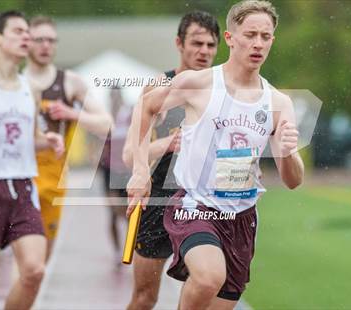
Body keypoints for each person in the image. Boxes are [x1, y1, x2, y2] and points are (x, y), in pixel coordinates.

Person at [126, 1, 304, 309]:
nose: (258, 43)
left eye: (265, 36)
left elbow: (292, 180)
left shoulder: (278, 102)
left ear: (273, 40)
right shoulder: (199, 83)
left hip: (242, 218)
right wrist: (141, 172)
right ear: (231, 38)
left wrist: (288, 152)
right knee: (209, 277)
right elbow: (145, 107)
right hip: (195, 205)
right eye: (250, 35)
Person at [123, 11, 220, 309]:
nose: (204, 51)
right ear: (179, 43)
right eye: (196, 43)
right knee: (144, 298)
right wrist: (166, 144)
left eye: (210, 45)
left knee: (208, 289)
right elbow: (129, 155)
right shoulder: (160, 87)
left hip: (204, 203)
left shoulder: (222, 87)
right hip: (160, 201)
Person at [0, 11, 64, 310]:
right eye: (18, 31)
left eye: (28, 31)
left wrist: (47, 140)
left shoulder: (31, 88)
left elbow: (28, 136)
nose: (26, 36)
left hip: (23, 186)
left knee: (34, 271)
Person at [23, 15, 113, 259]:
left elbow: (106, 122)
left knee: (39, 265)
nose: (45, 46)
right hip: (17, 177)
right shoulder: (15, 82)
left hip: (52, 180)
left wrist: (73, 113)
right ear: (26, 42)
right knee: (19, 262)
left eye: (51, 40)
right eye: (39, 39)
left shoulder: (70, 82)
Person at [99, 86, 132, 265]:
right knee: (112, 212)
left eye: (117, 97)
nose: (114, 100)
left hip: (126, 169)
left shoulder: (129, 115)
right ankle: (117, 251)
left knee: (127, 212)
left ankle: (129, 247)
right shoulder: (104, 116)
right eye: (112, 97)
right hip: (109, 169)